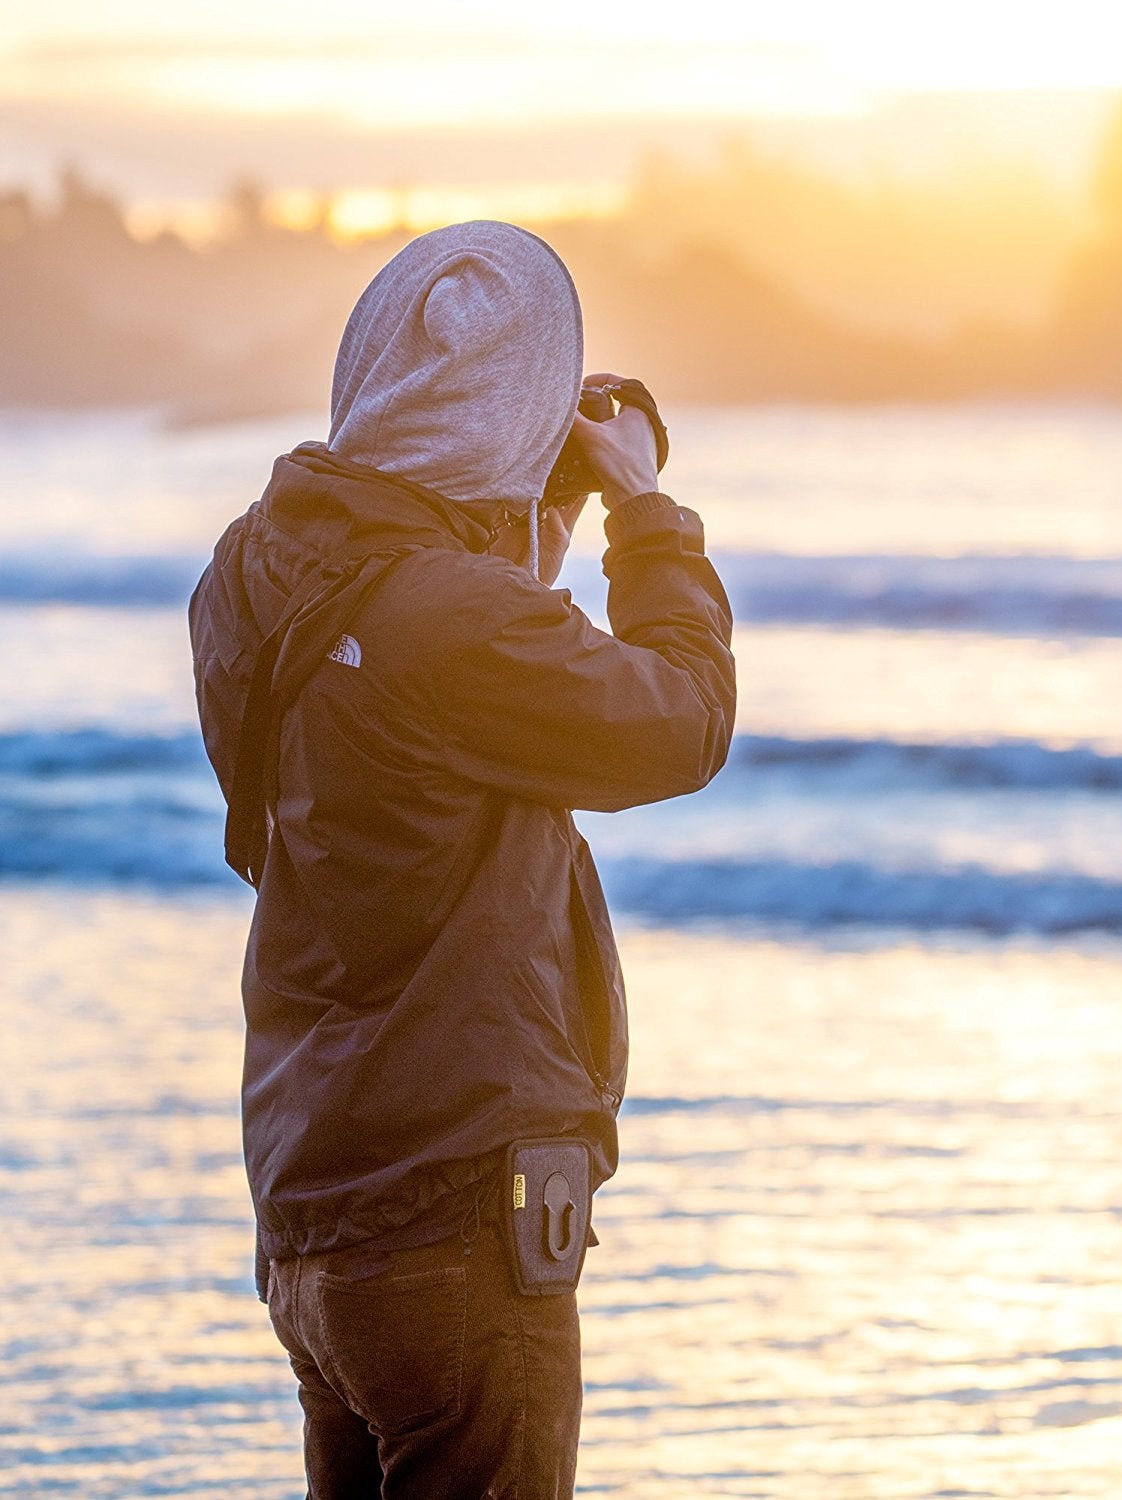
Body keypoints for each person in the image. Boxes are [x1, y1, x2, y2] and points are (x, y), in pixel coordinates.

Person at [188, 220, 736, 1498]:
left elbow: (403, 758)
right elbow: (683, 721)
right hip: (458, 1211)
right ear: (517, 406)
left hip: (317, 1205)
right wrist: (645, 509)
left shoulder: (249, 573)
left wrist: (513, 542)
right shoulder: (451, 622)